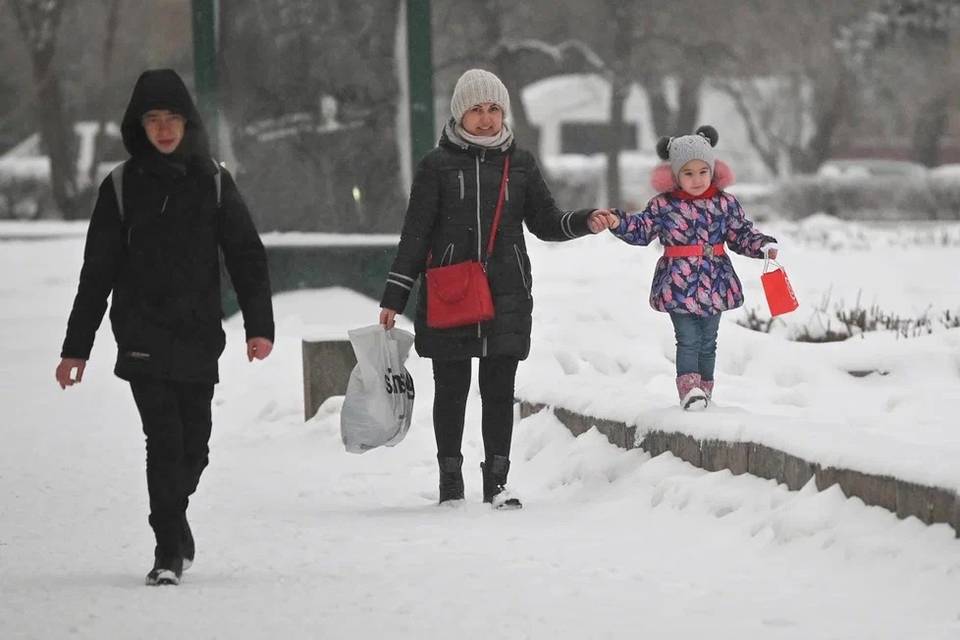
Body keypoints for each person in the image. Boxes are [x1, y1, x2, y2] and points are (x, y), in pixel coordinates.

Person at [55, 69, 275, 586]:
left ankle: (174, 519)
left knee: (195, 446)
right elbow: (97, 273)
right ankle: (167, 550)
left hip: (197, 334)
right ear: (139, 125)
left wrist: (258, 325)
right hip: (142, 335)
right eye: (152, 119)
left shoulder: (213, 181)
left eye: (172, 118)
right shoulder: (120, 187)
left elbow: (245, 255)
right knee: (165, 440)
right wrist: (76, 348)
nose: (163, 128)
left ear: (187, 121)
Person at [378, 68, 616, 509]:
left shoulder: (519, 164)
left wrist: (584, 221)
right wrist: (396, 294)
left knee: (499, 392)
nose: (486, 119)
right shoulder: (436, 166)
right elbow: (415, 235)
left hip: (507, 294)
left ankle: (497, 482)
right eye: (476, 110)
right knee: (451, 390)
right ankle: (451, 481)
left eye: (494, 109)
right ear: (459, 113)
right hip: (450, 293)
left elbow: (546, 222)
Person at [600, 125, 778, 411]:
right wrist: (618, 222)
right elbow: (641, 229)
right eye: (688, 173)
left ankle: (704, 391)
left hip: (715, 280)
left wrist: (762, 245)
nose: (697, 179)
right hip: (677, 283)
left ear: (713, 170)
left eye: (703, 172)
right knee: (688, 339)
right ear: (675, 175)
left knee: (709, 341)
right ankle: (689, 390)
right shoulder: (663, 206)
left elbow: (741, 233)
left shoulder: (724, 204)